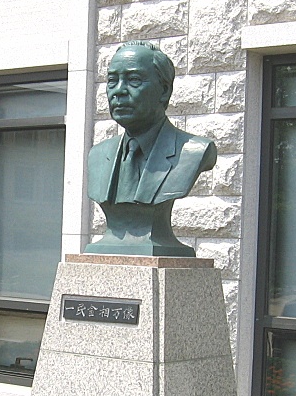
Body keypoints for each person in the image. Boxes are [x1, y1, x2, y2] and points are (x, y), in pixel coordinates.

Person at [84, 42, 217, 256]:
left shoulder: (193, 151)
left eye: (134, 80)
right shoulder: (98, 155)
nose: (119, 91)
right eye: (112, 81)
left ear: (164, 90)